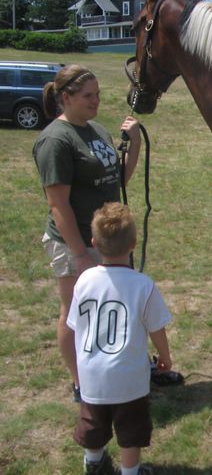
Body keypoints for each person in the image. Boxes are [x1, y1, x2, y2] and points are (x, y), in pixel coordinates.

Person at [33, 64, 141, 402]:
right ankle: (81, 382)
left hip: (105, 239)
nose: (96, 101)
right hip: (74, 241)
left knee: (106, 307)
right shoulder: (55, 140)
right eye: (87, 96)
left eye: (97, 94)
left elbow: (118, 179)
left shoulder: (94, 129)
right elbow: (58, 205)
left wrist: (134, 141)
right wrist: (80, 254)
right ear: (66, 98)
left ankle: (103, 370)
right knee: (74, 311)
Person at [67, 202, 172, 475]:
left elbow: (75, 326)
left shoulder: (83, 281)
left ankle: (93, 462)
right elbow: (157, 328)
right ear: (134, 243)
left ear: (94, 242)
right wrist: (165, 357)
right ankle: (130, 472)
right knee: (130, 430)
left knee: (93, 422)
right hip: (129, 378)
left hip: (91, 374)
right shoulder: (143, 285)